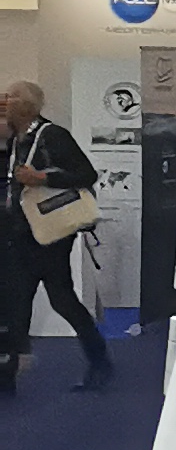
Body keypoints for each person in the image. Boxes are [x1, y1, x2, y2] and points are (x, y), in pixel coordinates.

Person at [0, 80, 111, 391]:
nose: (6, 101)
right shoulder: (17, 140)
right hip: (22, 233)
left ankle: (99, 361)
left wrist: (41, 177)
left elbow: (86, 174)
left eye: (13, 97)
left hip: (51, 236)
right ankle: (8, 374)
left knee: (61, 301)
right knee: (18, 303)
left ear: (28, 106)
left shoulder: (52, 135)